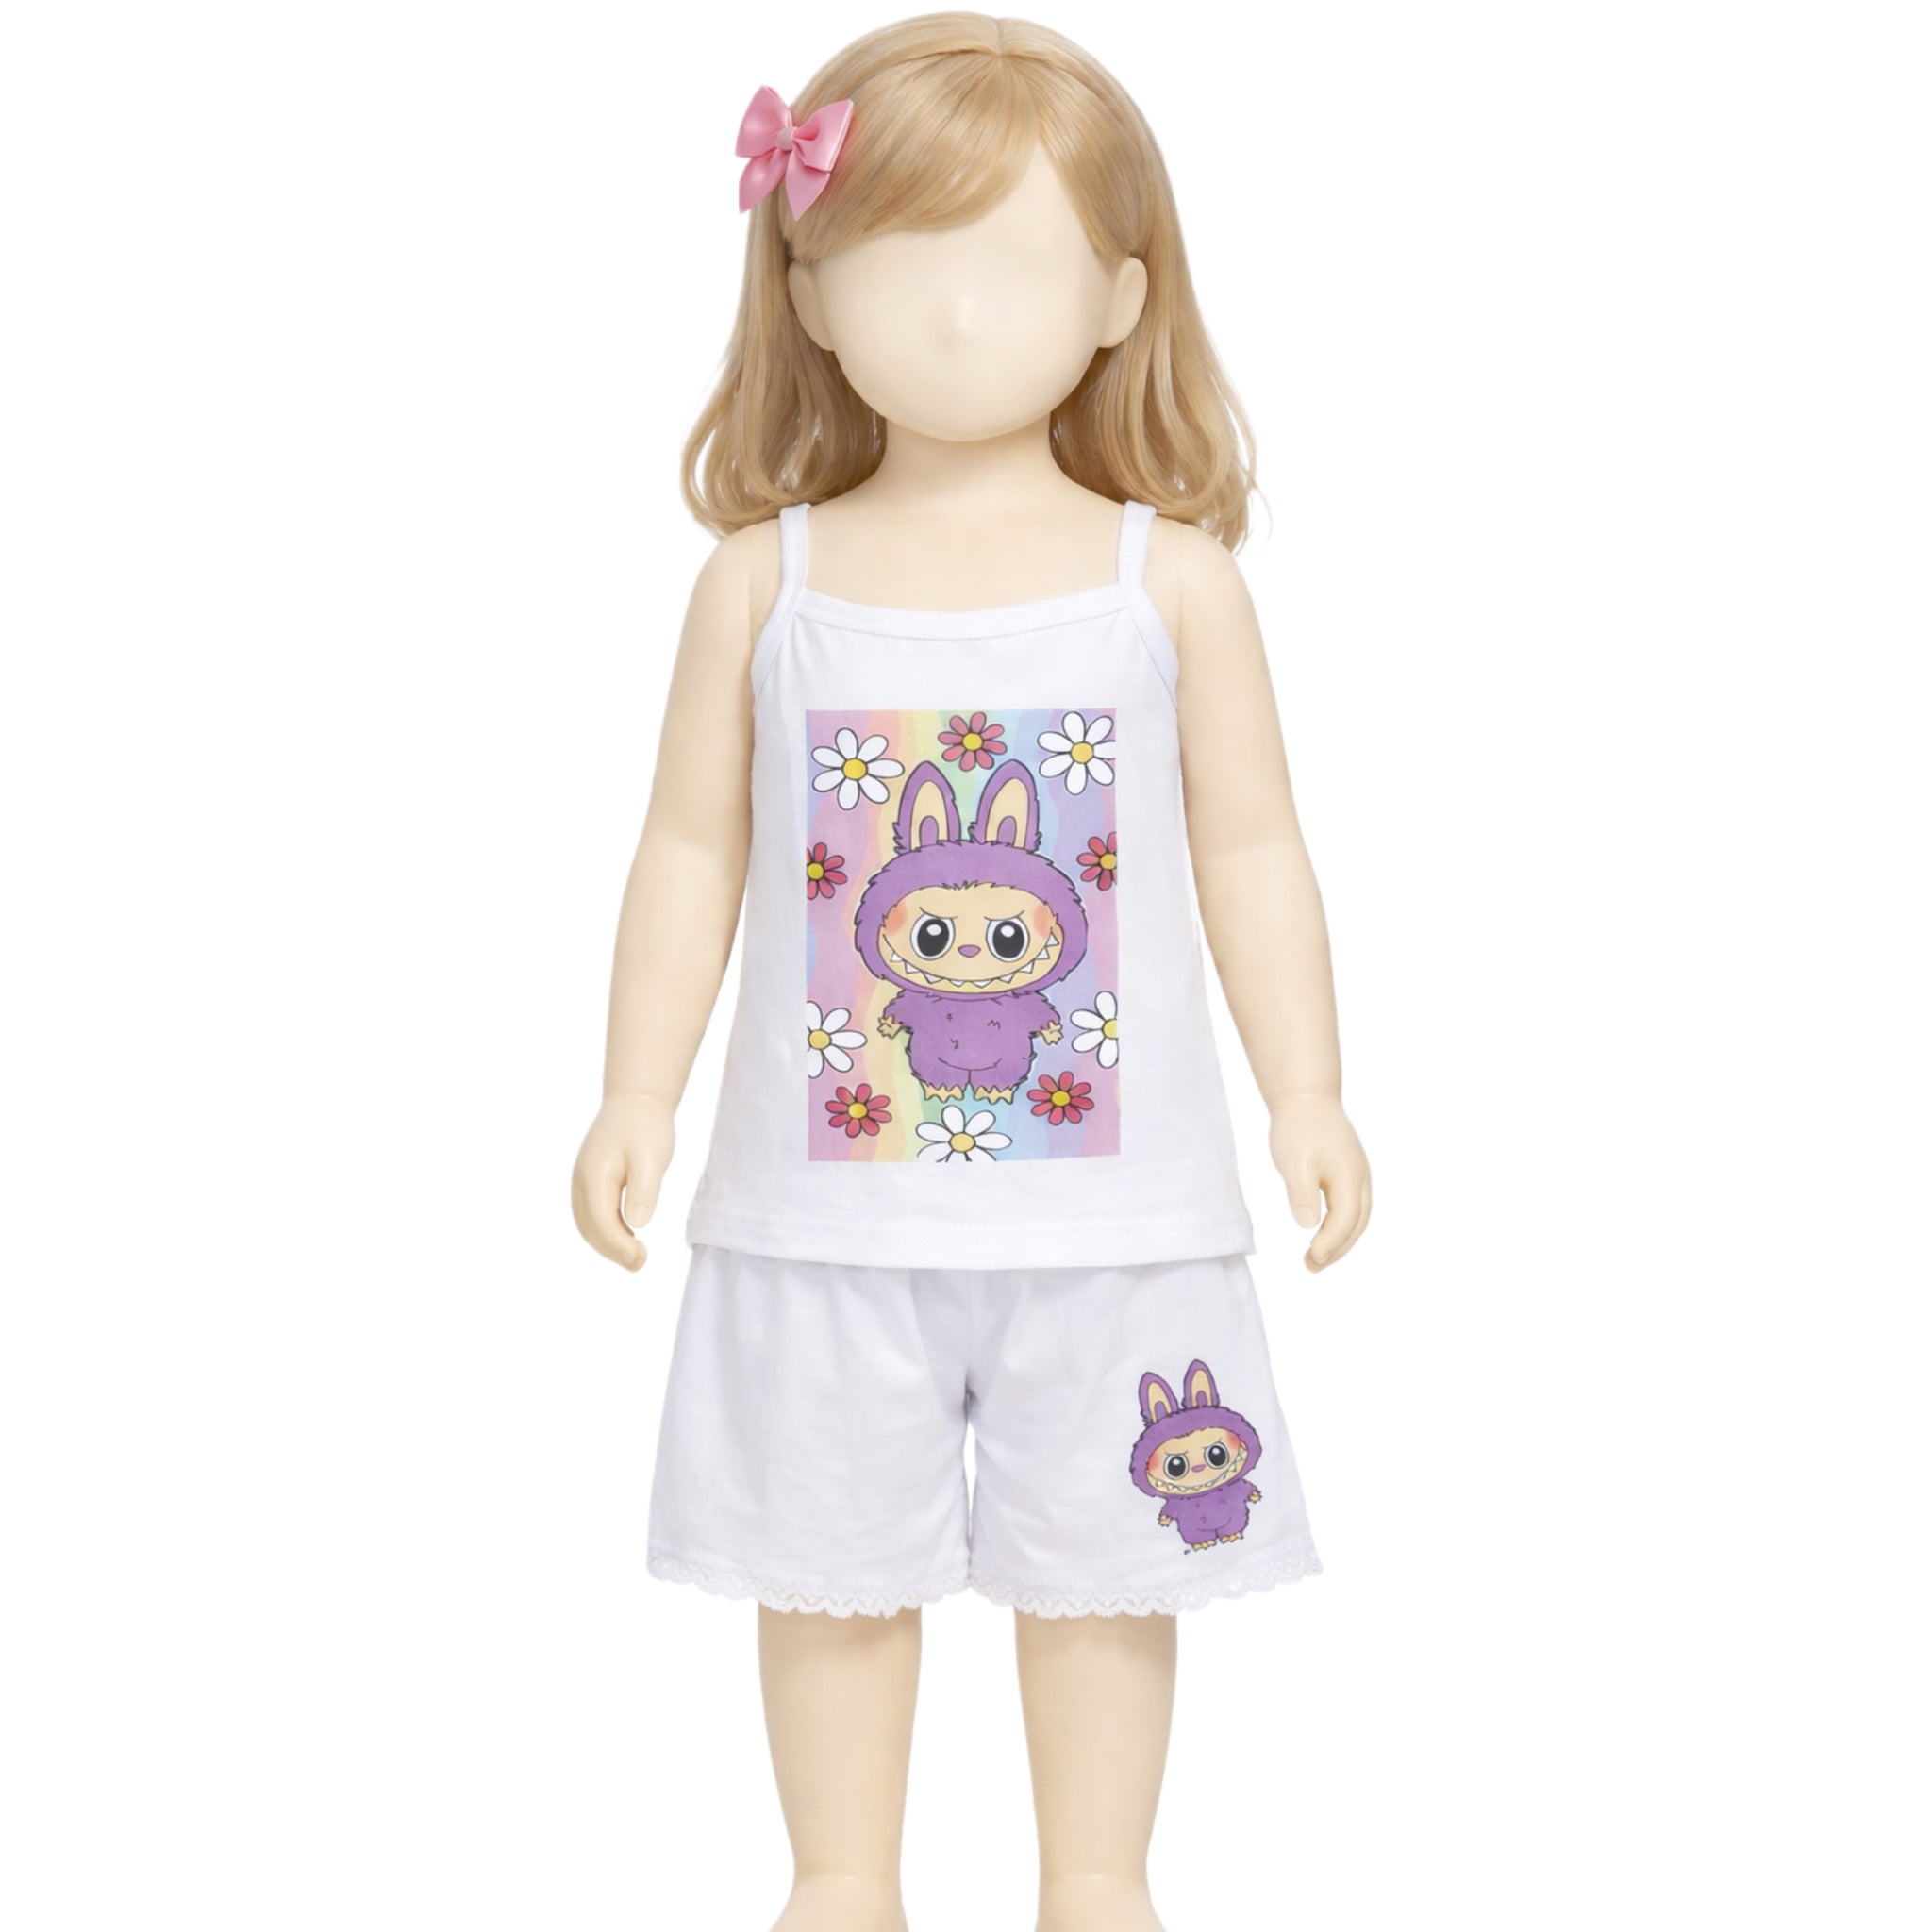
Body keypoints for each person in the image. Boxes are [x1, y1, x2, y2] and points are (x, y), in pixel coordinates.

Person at [571, 17, 1372, 1931]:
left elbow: (1254, 848)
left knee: (1105, 1574)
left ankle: (1097, 1879)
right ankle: (838, 1879)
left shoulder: (1164, 582)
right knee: (825, 1568)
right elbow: (689, 848)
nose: (950, 316)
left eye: (1011, 266)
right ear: (803, 291)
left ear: (1122, 297)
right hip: (821, 1219)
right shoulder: (765, 582)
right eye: (897, 264)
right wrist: (634, 1091)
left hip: (1117, 1220)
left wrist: (1310, 1092)